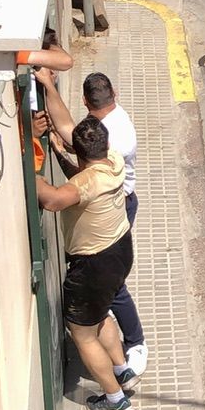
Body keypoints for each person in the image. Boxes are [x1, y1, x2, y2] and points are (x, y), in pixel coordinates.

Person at [35, 66, 149, 379]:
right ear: (115, 95)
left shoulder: (111, 151)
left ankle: (135, 345)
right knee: (109, 292)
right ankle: (122, 362)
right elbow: (70, 131)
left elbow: (65, 193)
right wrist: (47, 84)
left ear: (86, 102)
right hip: (116, 215)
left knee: (112, 292)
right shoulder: (108, 132)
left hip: (115, 211)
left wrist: (33, 157)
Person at [33, 117, 136, 410]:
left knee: (82, 332)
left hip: (92, 264)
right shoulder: (112, 160)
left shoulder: (85, 182)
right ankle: (123, 370)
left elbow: (53, 200)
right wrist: (59, 153)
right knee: (101, 313)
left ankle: (115, 400)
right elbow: (83, 181)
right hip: (120, 251)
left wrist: (33, 155)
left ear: (78, 151)